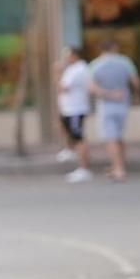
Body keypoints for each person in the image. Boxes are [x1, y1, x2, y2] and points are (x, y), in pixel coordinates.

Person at [89, 39, 140, 182]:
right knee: (118, 136)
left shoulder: (96, 65)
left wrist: (108, 94)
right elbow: (136, 81)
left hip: (106, 105)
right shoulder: (125, 62)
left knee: (111, 138)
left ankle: (119, 169)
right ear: (115, 47)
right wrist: (136, 96)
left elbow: (92, 88)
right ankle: (119, 165)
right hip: (123, 103)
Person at [53, 47, 94, 184]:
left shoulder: (79, 69)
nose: (65, 58)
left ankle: (84, 169)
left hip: (76, 109)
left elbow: (63, 87)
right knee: (68, 132)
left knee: (79, 138)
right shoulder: (72, 69)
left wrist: (57, 73)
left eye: (67, 54)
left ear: (75, 55)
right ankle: (70, 150)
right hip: (69, 108)